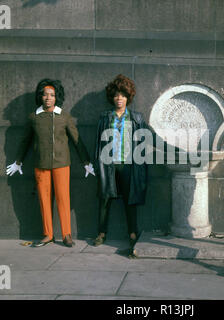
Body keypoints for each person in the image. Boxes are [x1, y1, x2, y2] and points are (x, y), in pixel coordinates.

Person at [6, 79, 95, 247]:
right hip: (41, 165)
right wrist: (18, 162)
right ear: (40, 97)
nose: (48, 98)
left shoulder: (64, 116)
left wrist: (86, 162)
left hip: (62, 164)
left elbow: (77, 140)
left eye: (52, 95)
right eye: (45, 95)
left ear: (57, 97)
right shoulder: (33, 117)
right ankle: (48, 234)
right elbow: (25, 141)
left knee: (63, 199)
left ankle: (67, 234)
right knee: (44, 199)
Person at [94, 74, 148, 257]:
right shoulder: (105, 117)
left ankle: (132, 232)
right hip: (108, 164)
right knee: (105, 199)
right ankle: (102, 233)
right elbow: (98, 143)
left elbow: (145, 140)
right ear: (112, 97)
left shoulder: (136, 118)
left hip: (128, 165)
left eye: (123, 96)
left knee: (129, 200)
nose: (119, 99)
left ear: (128, 98)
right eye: (117, 95)